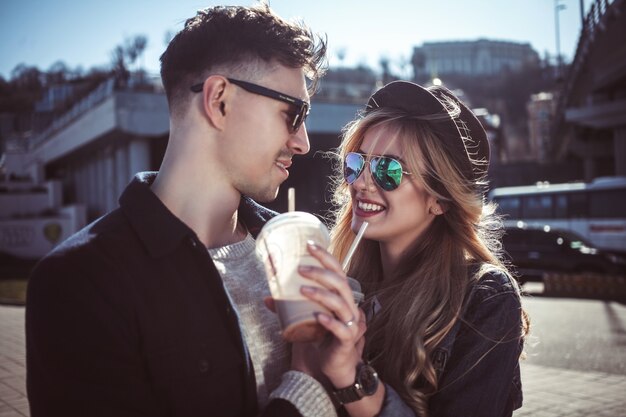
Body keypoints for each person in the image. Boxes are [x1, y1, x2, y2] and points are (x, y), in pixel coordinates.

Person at [26, 4, 334, 417]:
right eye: (293, 114)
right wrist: (308, 387)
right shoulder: (81, 283)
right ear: (219, 100)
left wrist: (351, 377)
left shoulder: (294, 252)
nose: (304, 143)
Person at [294, 80, 529, 417]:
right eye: (356, 163)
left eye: (387, 170)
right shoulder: (345, 286)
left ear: (440, 200)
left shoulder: (484, 297)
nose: (361, 182)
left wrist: (354, 381)